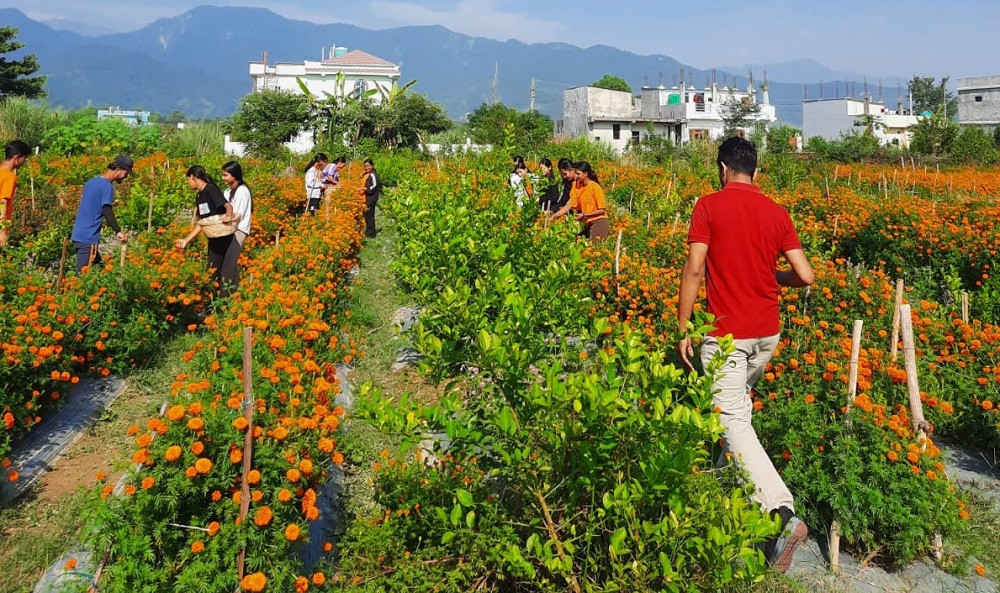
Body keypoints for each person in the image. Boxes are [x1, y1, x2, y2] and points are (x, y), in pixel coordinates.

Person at [676, 136, 815, 573]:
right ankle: (726, 491)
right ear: (757, 171)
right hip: (766, 336)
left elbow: (695, 268)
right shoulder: (777, 212)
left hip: (727, 335)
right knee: (737, 414)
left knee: (729, 417)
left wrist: (683, 327)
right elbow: (805, 275)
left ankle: (781, 514)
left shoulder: (709, 205)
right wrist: (772, 278)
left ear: (721, 169)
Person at [175, 165, 235, 294]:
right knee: (213, 271)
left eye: (188, 180)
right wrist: (186, 240)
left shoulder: (210, 189)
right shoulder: (199, 196)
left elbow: (228, 206)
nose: (188, 184)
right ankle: (216, 302)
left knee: (215, 271)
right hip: (213, 238)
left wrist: (228, 216)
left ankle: (216, 304)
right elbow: (202, 223)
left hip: (223, 236)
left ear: (193, 177)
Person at [70, 155, 131, 273]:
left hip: (79, 233)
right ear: (119, 169)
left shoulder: (91, 181)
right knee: (81, 278)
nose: (126, 177)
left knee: (100, 272)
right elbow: (106, 210)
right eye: (126, 173)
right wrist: (118, 231)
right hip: (88, 237)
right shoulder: (107, 186)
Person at [548, 161, 608, 242]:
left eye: (578, 174)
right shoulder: (577, 187)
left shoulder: (595, 187)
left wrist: (584, 215)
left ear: (586, 174)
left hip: (599, 222)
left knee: (593, 249)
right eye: (575, 173)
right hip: (587, 223)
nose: (575, 176)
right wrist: (554, 216)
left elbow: (602, 210)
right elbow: (569, 205)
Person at [219, 160, 251, 293]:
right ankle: (237, 294)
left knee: (227, 267)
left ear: (234, 175)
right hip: (228, 230)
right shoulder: (227, 191)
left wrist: (226, 217)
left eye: (225, 175)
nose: (223, 178)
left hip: (239, 231)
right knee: (231, 266)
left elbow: (238, 215)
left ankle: (223, 299)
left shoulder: (243, 191)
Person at [0, 140, 31, 248]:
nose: (25, 161)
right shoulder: (9, 177)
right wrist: (2, 232)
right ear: (17, 158)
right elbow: (3, 204)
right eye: (25, 158)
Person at [359, 158, 381, 238]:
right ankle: (368, 232)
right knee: (367, 216)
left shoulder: (373, 174)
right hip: (366, 198)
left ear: (372, 166)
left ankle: (372, 234)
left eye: (368, 166)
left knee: (370, 216)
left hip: (371, 198)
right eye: (365, 166)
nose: (366, 168)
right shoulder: (366, 174)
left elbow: (373, 186)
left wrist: (365, 189)